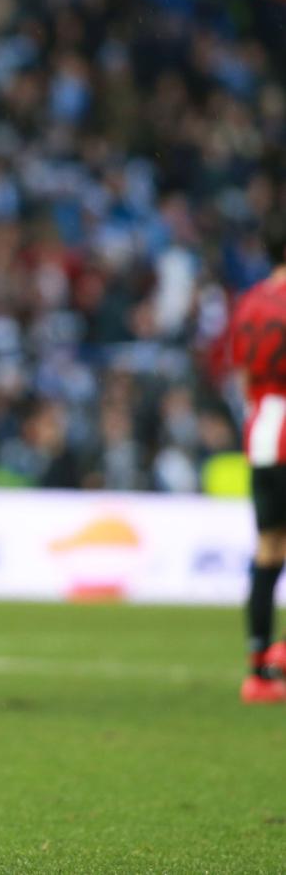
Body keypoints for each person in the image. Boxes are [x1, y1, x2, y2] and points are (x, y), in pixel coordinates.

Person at [228, 232, 286, 705]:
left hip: (263, 436)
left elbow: (244, 376)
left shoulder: (249, 303)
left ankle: (259, 670)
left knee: (269, 548)